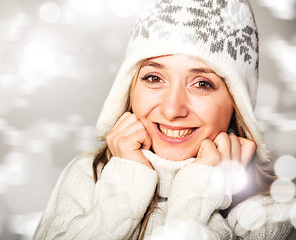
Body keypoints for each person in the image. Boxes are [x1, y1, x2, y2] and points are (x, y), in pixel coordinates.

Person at [34, 0, 295, 239]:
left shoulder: (269, 213)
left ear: (237, 104)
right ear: (130, 88)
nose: (172, 109)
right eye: (154, 78)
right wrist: (125, 186)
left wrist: (200, 193)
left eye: (202, 83)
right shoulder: (87, 174)